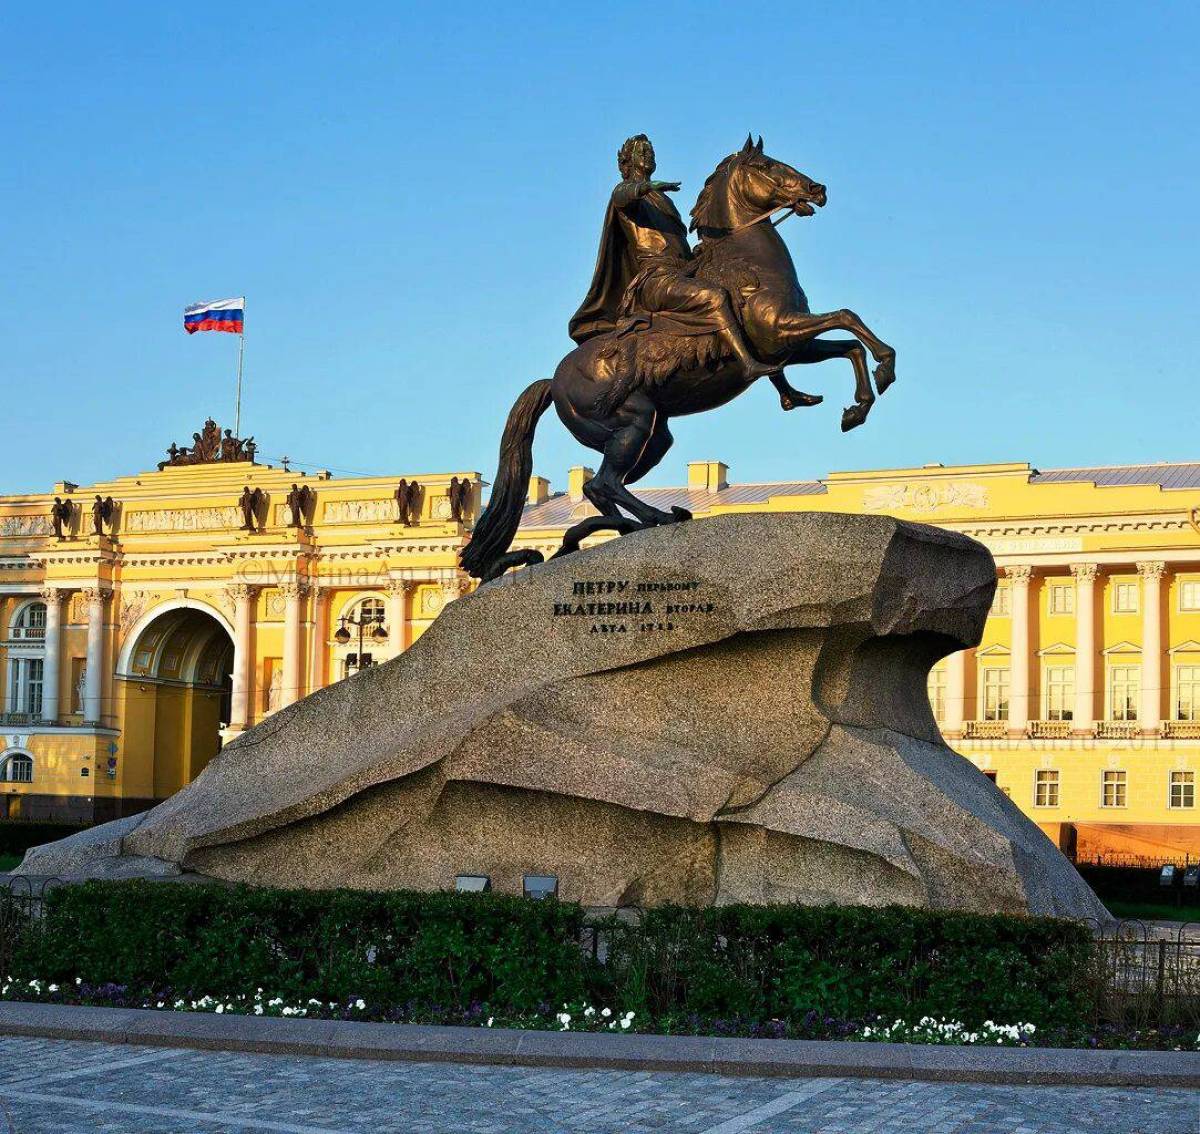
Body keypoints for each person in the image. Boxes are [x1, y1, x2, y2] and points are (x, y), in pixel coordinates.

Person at [569, 134, 779, 382]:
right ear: (627, 163)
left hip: (681, 271)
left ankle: (784, 389)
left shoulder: (663, 200)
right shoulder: (629, 194)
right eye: (642, 152)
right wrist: (645, 187)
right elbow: (622, 196)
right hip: (655, 279)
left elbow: (676, 245)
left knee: (744, 299)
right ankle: (747, 365)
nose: (649, 155)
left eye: (651, 151)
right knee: (714, 297)